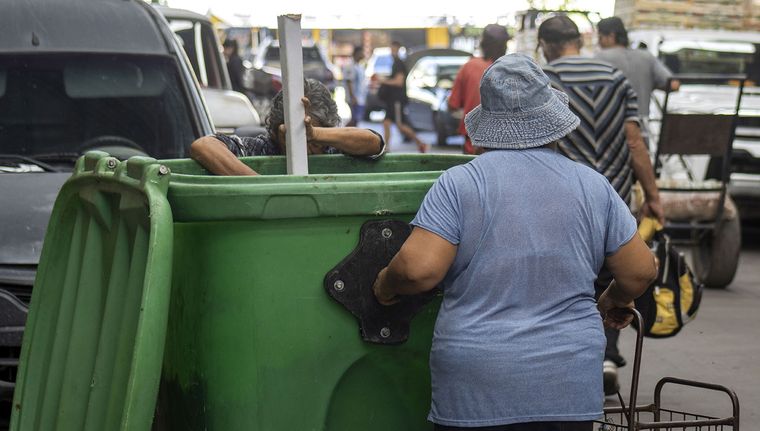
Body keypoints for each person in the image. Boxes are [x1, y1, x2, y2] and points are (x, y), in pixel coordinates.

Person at [373, 54, 657, 431]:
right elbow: (639, 272)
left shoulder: (461, 183)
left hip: (477, 385)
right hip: (567, 382)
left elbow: (417, 271)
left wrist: (384, 285)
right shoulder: (592, 185)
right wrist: (611, 301)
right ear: (553, 123)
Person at [538, 15, 665, 397]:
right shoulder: (615, 78)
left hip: (565, 196)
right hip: (614, 194)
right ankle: (607, 355)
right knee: (611, 277)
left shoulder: (545, 80)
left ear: (546, 43)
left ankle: (573, 361)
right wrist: (653, 196)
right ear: (579, 39)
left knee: (571, 278)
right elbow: (635, 142)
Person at [190, 79, 385, 176]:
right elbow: (203, 145)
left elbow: (374, 143)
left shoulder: (335, 149)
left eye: (310, 141)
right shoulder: (261, 149)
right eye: (291, 137)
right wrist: (260, 186)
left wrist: (316, 134)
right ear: (275, 132)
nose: (303, 148)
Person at [595, 16, 678, 145]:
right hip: (641, 131)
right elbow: (674, 85)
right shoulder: (646, 56)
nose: (598, 43)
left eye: (599, 37)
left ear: (610, 36)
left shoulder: (599, 58)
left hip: (610, 131)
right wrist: (650, 85)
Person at [448, 24, 510, 155]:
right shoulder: (512, 69)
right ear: (505, 45)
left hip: (473, 144)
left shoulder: (469, 67)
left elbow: (452, 104)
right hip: (506, 145)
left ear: (482, 44)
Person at [377, 41, 428, 153]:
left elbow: (398, 82)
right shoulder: (395, 62)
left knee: (400, 125)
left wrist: (383, 81)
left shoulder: (399, 63)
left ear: (397, 49)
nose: (391, 51)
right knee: (386, 122)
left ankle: (420, 143)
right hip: (392, 100)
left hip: (397, 100)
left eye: (393, 49)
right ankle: (386, 147)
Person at [344, 45, 367, 127]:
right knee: (354, 119)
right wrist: (353, 97)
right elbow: (349, 82)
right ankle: (342, 134)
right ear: (357, 53)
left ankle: (350, 137)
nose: (363, 55)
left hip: (360, 98)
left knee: (357, 120)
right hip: (354, 98)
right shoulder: (350, 65)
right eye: (362, 52)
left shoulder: (359, 66)